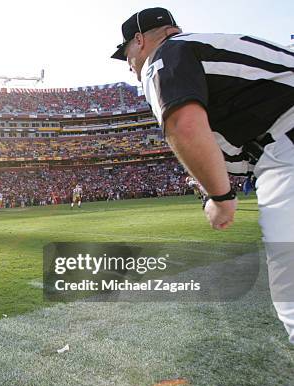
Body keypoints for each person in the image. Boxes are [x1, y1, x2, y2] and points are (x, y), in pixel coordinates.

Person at [111, 7, 294, 342]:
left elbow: (183, 124)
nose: (128, 63)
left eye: (126, 52)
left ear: (140, 40)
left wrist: (220, 197)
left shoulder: (164, 56)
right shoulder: (201, 47)